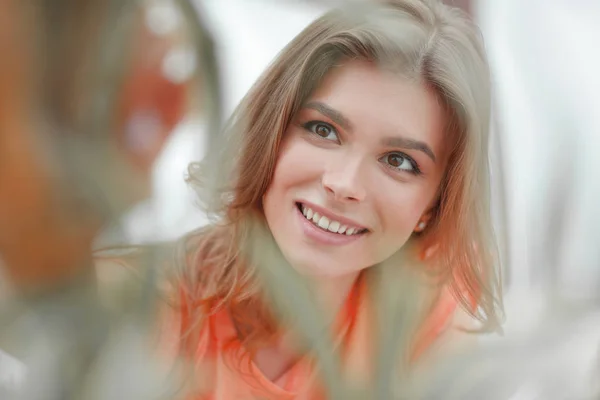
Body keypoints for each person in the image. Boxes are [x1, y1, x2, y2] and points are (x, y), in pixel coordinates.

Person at [98, 0, 503, 398]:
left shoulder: (428, 317)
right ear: (271, 134)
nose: (344, 183)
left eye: (399, 161)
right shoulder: (133, 308)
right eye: (323, 130)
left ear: (433, 204)